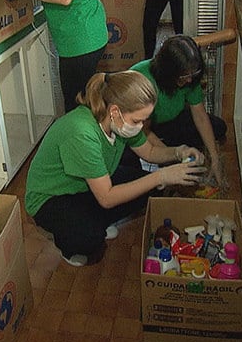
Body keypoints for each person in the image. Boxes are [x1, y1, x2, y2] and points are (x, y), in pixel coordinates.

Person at [24, 71, 207, 267]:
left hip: (84, 185)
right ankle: (69, 244)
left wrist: (179, 152)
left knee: (147, 188)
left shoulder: (117, 121)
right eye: (137, 120)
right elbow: (107, 197)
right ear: (114, 111)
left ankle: (96, 220)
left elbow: (150, 151)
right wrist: (161, 175)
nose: (142, 125)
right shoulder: (82, 132)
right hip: (50, 196)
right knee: (89, 239)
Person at [128, 35, 227, 187]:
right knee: (138, 174)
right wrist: (172, 157)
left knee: (218, 127)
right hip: (141, 127)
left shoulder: (191, 79)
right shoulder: (142, 79)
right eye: (184, 76)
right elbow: (143, 131)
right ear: (168, 72)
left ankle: (171, 149)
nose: (189, 80)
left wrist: (214, 157)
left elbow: (200, 116)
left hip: (170, 121)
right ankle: (166, 152)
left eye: (192, 75)